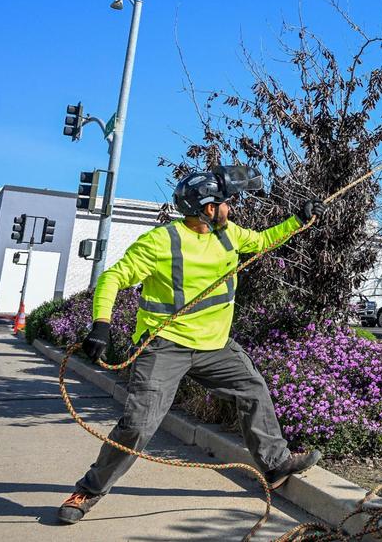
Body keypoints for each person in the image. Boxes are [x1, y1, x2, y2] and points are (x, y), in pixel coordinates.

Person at [57, 165, 328, 525]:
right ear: (206, 208)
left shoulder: (229, 234)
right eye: (225, 203)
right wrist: (101, 325)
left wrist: (298, 219)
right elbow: (112, 278)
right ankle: (88, 491)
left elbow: (264, 241)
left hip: (215, 346)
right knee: (137, 425)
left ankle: (276, 464)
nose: (231, 208)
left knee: (253, 389)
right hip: (164, 347)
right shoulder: (161, 242)